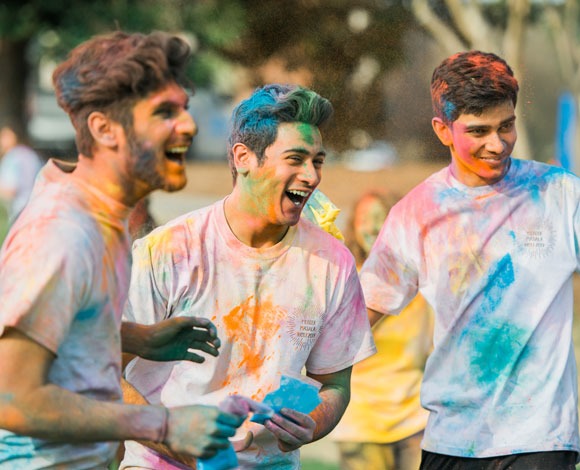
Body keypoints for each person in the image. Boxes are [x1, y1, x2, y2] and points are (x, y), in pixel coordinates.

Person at [0, 31, 247, 469]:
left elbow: (55, 330)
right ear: (104, 128)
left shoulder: (106, 219)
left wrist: (139, 338)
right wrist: (163, 424)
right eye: (164, 112)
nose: (188, 125)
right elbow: (11, 398)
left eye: (184, 109)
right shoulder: (62, 234)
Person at [120, 83, 376, 469]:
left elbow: (335, 385)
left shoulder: (332, 263)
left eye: (317, 161)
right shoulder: (170, 250)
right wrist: (173, 437)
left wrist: (313, 421)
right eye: (295, 158)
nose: (311, 176)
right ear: (243, 157)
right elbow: (104, 370)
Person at [360, 50, 580, 469]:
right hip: (452, 440)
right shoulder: (417, 211)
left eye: (506, 126)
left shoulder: (561, 195)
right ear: (442, 130)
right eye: (478, 131)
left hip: (542, 438)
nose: (497, 144)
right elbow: (359, 316)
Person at [331, 190, 434, 470]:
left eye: (381, 218)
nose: (373, 227)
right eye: (365, 219)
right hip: (360, 422)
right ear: (353, 226)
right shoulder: (341, 278)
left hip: (415, 417)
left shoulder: (419, 279)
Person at [0, 123, 43, 223]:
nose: (1, 140)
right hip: (36, 207)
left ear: (14, 136)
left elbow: (11, 190)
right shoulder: (31, 154)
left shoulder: (13, 156)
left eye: (4, 136)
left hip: (19, 212)